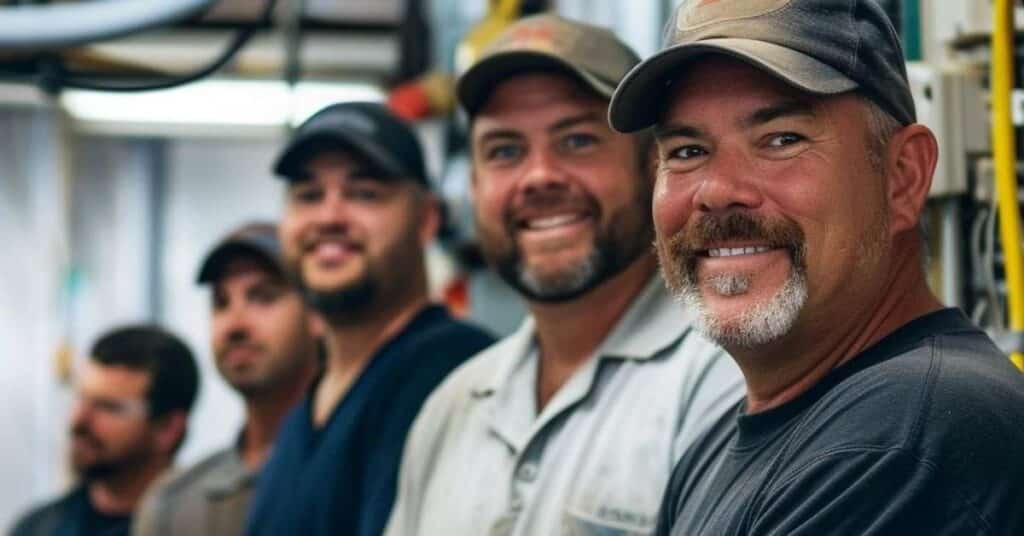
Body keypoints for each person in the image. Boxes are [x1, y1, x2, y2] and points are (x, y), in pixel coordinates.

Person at [607, 1, 1024, 534]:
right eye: (688, 151)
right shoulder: (718, 448)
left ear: (902, 176)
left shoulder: (903, 442)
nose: (717, 191)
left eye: (781, 140)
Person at [385, 14, 744, 536]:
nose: (539, 177)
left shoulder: (723, 379)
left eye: (577, 141)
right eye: (504, 151)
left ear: (653, 167)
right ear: (476, 186)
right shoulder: (452, 408)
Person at [244, 102, 495, 536]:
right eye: (308, 196)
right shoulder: (299, 422)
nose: (329, 217)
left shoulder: (458, 377)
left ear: (426, 219)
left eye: (364, 193)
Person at [133, 222, 320, 536]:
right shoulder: (175, 503)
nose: (235, 325)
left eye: (263, 297)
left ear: (316, 314)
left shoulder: (356, 471)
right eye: (221, 302)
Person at [12, 326, 200, 536]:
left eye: (107, 407)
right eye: (81, 398)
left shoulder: (207, 527)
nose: (78, 421)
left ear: (168, 429)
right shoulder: (36, 528)